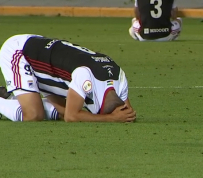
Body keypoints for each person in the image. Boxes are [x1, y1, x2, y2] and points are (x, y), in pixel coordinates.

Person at [0, 34, 136, 122]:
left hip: (49, 63)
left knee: (63, 112)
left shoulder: (120, 76)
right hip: (20, 52)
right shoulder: (85, 75)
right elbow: (71, 117)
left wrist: (122, 116)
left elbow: (127, 113)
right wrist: (111, 119)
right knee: (34, 115)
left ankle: (11, 99)